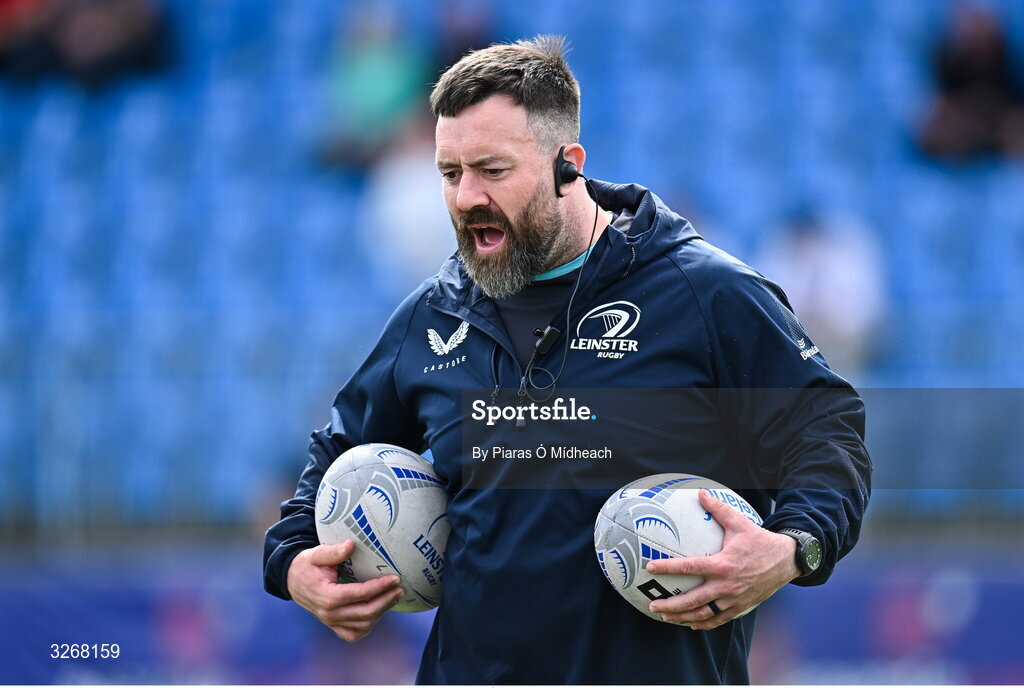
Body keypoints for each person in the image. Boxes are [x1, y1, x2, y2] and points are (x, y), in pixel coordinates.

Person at [264, 36, 871, 684]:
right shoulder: (434, 313)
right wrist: (295, 559)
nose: (466, 197)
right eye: (450, 172)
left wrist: (791, 549)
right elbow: (336, 453)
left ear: (567, 165)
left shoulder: (704, 295)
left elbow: (825, 432)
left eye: (492, 170)